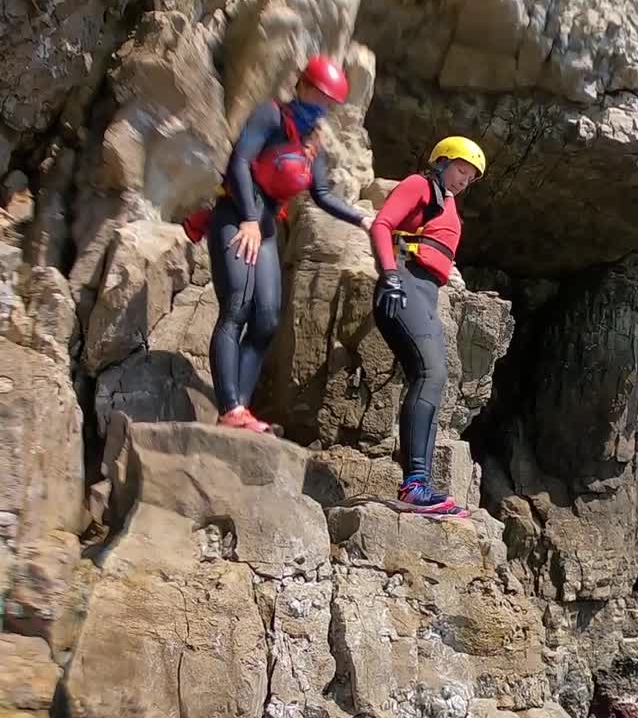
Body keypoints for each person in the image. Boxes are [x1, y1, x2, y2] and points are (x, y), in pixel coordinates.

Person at [191, 55, 372, 432]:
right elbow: (239, 163)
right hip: (236, 216)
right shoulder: (270, 115)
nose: (321, 106)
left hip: (266, 222)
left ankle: (240, 411)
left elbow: (321, 194)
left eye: (329, 103)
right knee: (237, 306)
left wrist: (362, 218)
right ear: (302, 86)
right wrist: (249, 219)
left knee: (267, 319)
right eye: (317, 95)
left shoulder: (312, 143)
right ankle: (230, 408)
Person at [367, 136, 486, 512]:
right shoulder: (420, 185)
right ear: (441, 162)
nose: (462, 180)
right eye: (459, 170)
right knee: (430, 374)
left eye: (470, 177)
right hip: (403, 282)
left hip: (426, 292)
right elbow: (382, 225)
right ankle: (414, 484)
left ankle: (421, 484)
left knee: (436, 379)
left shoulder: (447, 203)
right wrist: (388, 273)